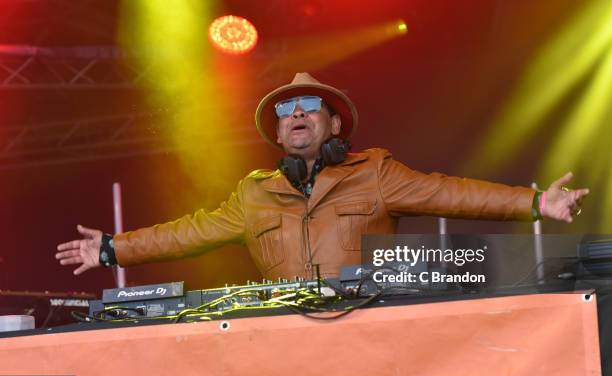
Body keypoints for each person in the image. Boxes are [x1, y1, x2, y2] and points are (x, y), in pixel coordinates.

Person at [56, 73, 589, 280]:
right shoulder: (254, 193)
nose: (297, 114)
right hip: (282, 347)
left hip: (372, 336)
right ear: (279, 134)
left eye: (310, 105)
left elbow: (451, 192)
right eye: (286, 110)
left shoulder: (376, 172)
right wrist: (112, 249)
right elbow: (189, 232)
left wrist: (537, 203)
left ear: (333, 123)